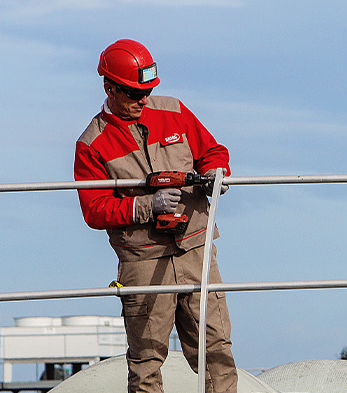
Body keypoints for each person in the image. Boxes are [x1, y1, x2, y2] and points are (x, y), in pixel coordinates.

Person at [73, 38, 238, 393]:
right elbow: (94, 209)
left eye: (147, 91)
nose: (143, 100)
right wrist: (149, 206)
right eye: (134, 93)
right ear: (109, 88)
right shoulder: (91, 144)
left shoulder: (174, 111)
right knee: (146, 363)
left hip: (196, 250)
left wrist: (216, 174)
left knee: (217, 351)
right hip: (143, 262)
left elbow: (213, 151)